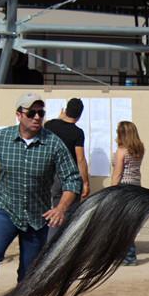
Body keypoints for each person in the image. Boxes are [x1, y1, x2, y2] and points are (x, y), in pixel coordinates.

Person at [0, 93, 81, 283]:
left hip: (37, 217)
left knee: (29, 274)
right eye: (31, 113)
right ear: (19, 115)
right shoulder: (1, 138)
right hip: (5, 210)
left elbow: (73, 179)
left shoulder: (54, 144)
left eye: (40, 113)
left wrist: (61, 208)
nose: (37, 117)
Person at [45, 97, 90, 241]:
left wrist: (60, 117)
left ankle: (48, 243)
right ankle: (62, 243)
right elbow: (80, 159)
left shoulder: (50, 125)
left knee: (51, 208)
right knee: (69, 211)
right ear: (80, 115)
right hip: (68, 176)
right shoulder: (77, 132)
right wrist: (85, 182)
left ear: (65, 110)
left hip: (50, 174)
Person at [110, 121, 144, 266]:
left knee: (119, 224)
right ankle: (128, 255)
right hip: (136, 187)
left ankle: (127, 256)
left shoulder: (121, 151)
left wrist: (111, 191)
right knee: (130, 223)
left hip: (123, 188)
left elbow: (117, 173)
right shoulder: (140, 149)